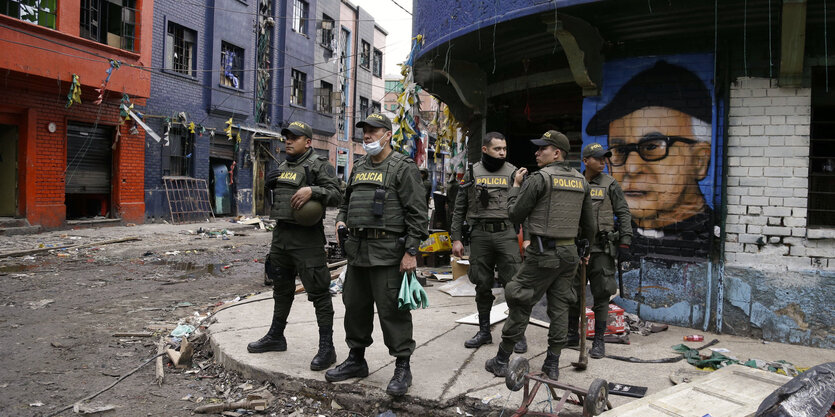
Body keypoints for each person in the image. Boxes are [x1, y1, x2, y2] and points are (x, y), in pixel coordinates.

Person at [326, 113, 429, 397]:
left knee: (393, 312)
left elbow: (418, 215)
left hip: (388, 254)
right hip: (357, 252)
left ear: (387, 134)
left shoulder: (403, 168)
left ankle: (402, 366)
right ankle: (356, 360)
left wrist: (410, 252)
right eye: (365, 131)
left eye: (373, 131)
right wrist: (340, 220)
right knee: (355, 307)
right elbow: (346, 203)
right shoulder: (358, 166)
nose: (367, 136)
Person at [484, 130, 595, 381]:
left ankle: (501, 360)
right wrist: (585, 250)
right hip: (569, 255)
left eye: (542, 148)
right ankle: (552, 364)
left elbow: (514, 214)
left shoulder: (539, 179)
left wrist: (515, 187)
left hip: (544, 253)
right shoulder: (580, 181)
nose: (536, 152)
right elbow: (590, 225)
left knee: (520, 298)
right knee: (560, 307)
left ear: (556, 153)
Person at [585, 60, 712, 259]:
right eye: (619, 149)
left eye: (652, 146)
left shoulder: (714, 238)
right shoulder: (608, 234)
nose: (632, 167)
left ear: (699, 161)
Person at [247, 120, 342, 373]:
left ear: (308, 142)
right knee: (281, 288)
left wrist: (314, 190)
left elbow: (337, 194)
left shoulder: (319, 165)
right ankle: (276, 336)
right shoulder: (282, 166)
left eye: (294, 137)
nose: (288, 141)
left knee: (319, 292)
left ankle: (327, 348)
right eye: (286, 137)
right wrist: (269, 185)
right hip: (281, 236)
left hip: (307, 239)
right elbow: (278, 199)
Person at [450, 132, 529, 353]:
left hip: (506, 234)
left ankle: (516, 334)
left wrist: (528, 238)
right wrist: (456, 238)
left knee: (513, 286)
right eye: (497, 149)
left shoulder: (514, 173)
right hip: (480, 235)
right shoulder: (472, 172)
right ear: (485, 149)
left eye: (504, 149)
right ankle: (484, 331)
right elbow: (460, 207)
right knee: (481, 285)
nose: (502, 153)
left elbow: (525, 208)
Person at [567, 143, 632, 359]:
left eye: (605, 158)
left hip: (602, 249)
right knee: (572, 293)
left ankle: (599, 341)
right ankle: (571, 335)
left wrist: (625, 243)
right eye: (598, 158)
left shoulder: (610, 184)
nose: (603, 161)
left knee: (602, 294)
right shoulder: (574, 182)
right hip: (576, 247)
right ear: (586, 161)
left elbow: (623, 213)